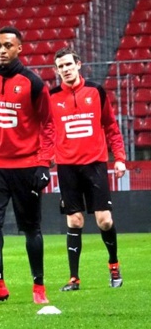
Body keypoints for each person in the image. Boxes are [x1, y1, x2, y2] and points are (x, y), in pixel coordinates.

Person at [0, 26, 56, 306]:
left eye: (7, 46)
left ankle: (38, 286)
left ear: (20, 48)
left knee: (31, 228)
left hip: (28, 166)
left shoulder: (34, 83)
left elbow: (49, 125)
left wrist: (44, 163)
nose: (2, 51)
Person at [50, 47, 126, 291]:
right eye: (61, 67)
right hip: (67, 167)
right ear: (56, 70)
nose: (65, 70)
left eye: (69, 65)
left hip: (95, 164)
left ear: (78, 64)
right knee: (75, 220)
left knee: (104, 220)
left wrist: (120, 157)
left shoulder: (95, 91)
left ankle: (114, 266)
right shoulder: (51, 97)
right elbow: (45, 131)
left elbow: (111, 126)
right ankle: (74, 279)